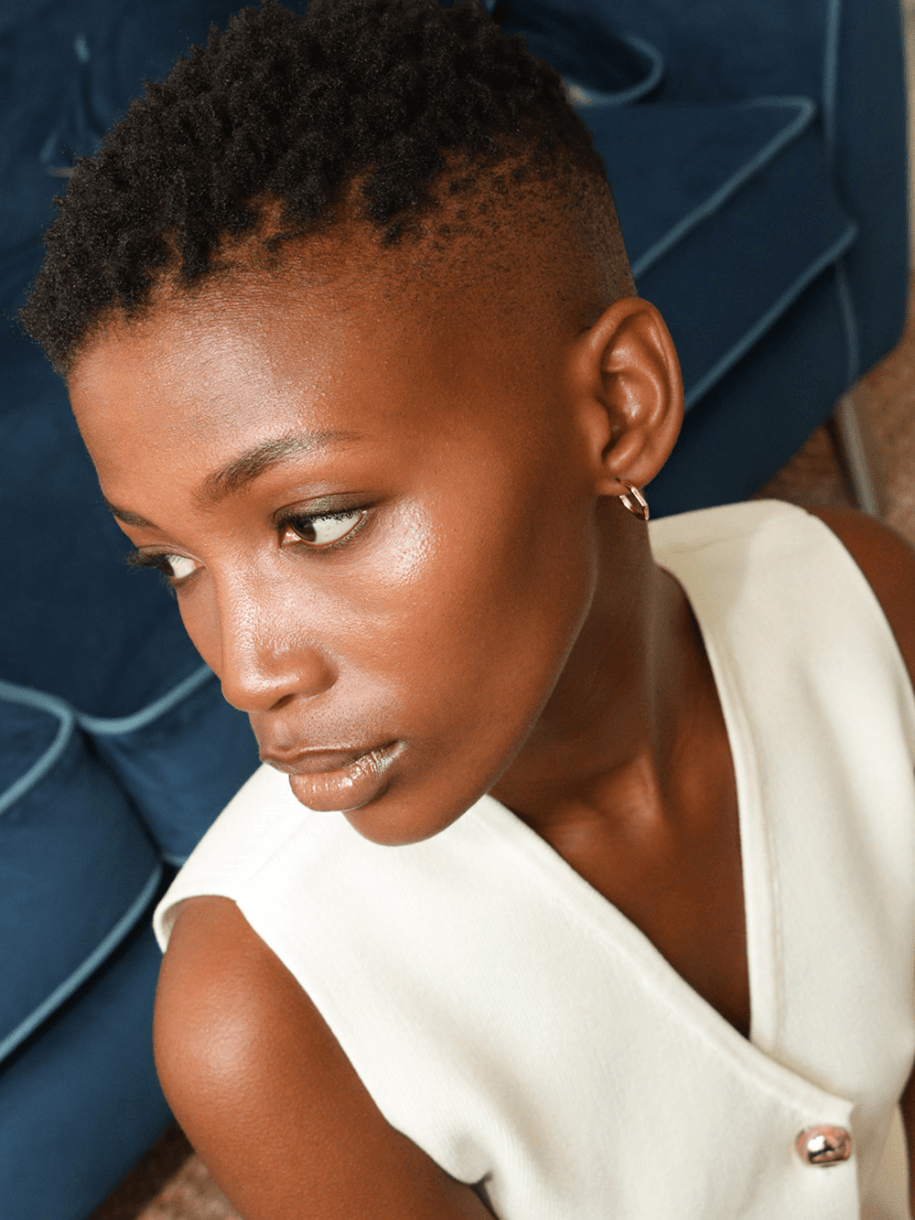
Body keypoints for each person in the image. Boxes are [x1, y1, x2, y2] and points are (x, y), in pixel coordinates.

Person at [20, 1, 915, 1216]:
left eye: (317, 518)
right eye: (172, 562)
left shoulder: (861, 602)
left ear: (618, 404)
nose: (246, 667)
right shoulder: (270, 1009)